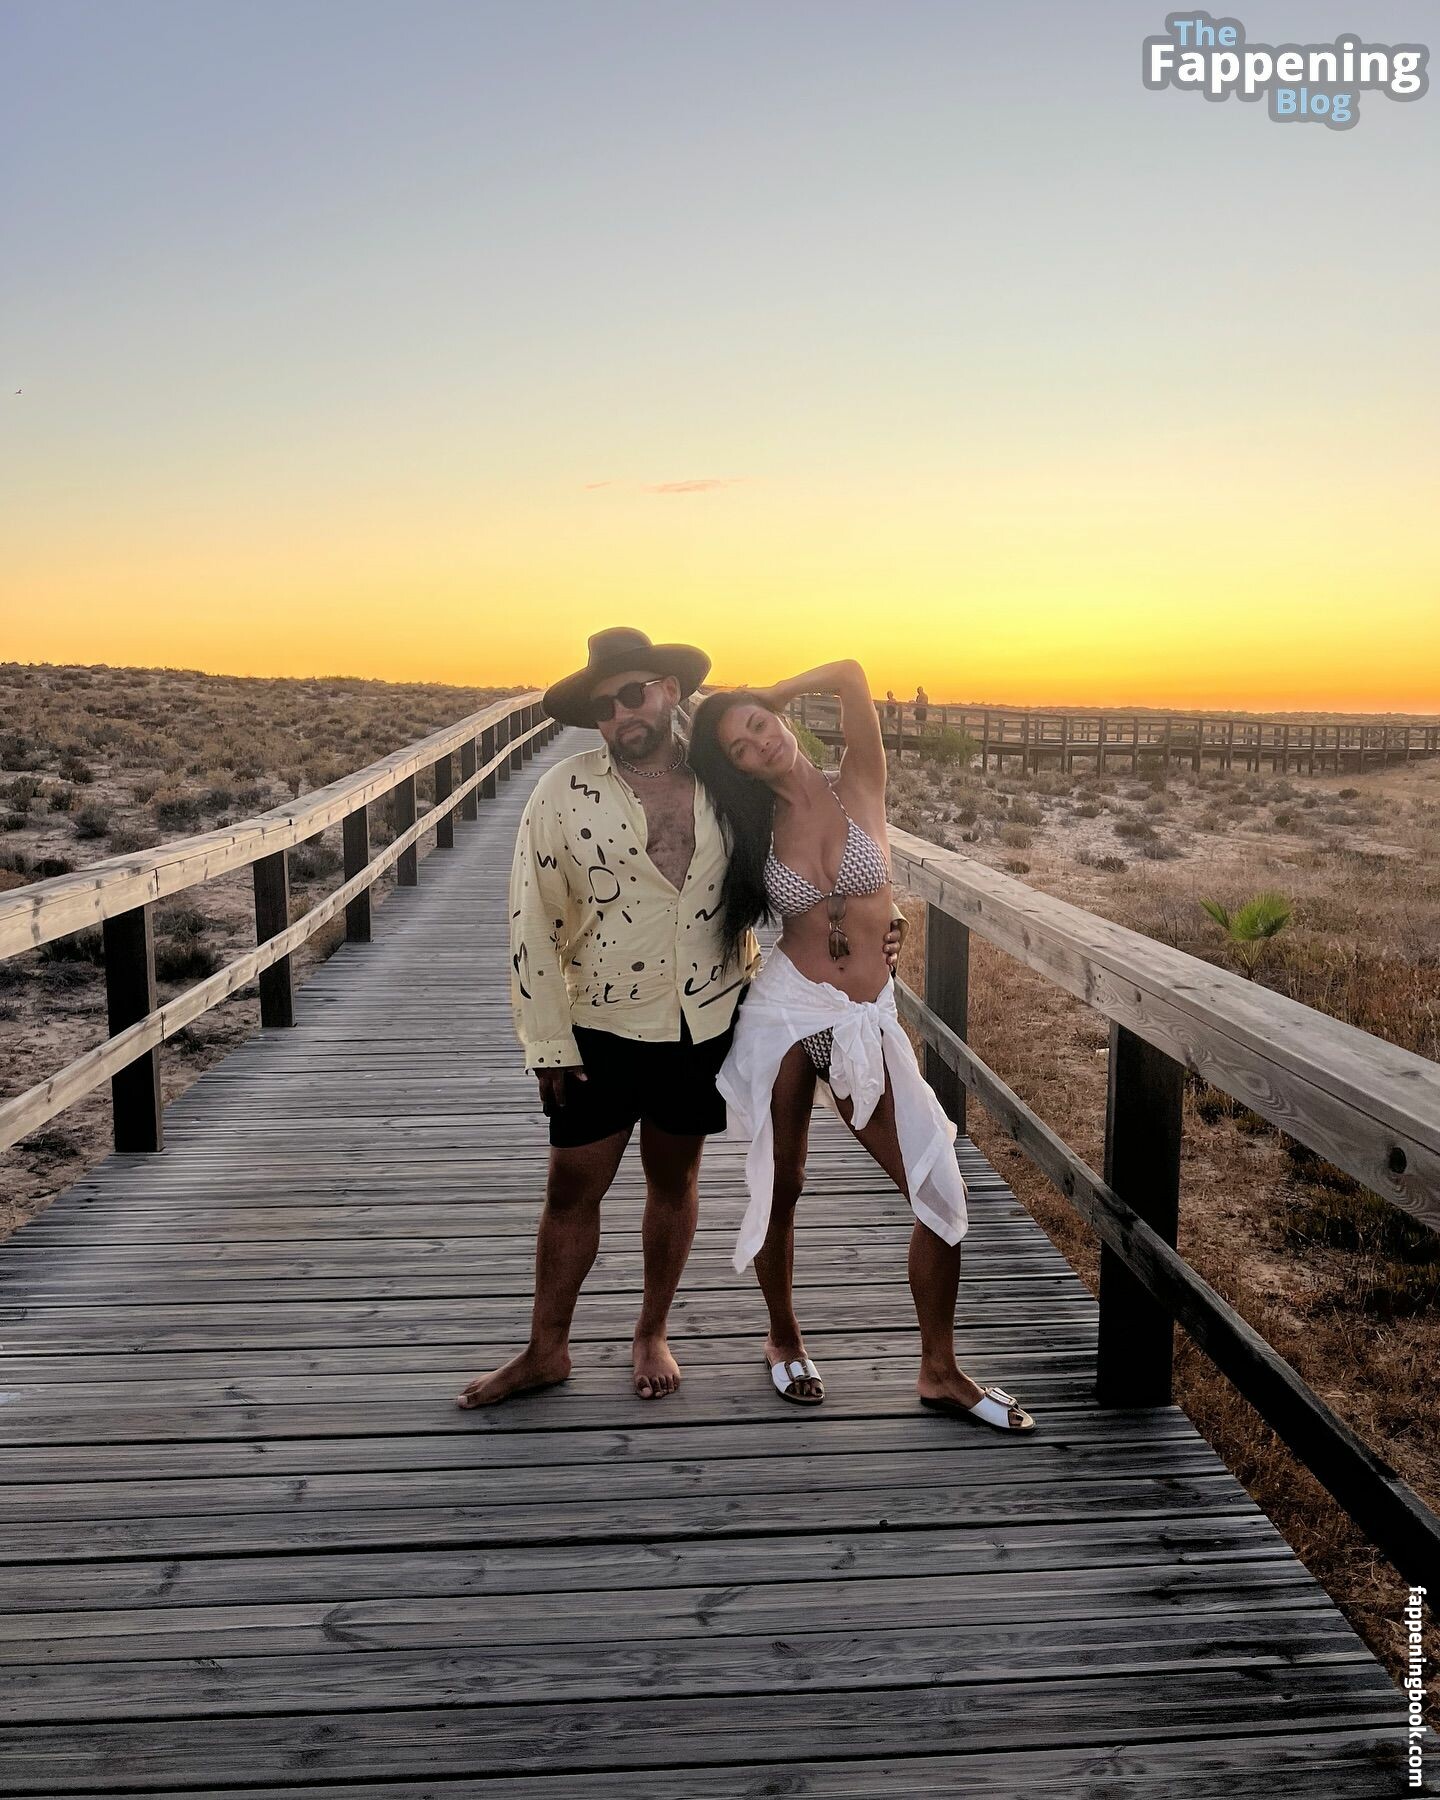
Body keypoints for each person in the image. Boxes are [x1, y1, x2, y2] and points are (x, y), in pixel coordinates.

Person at [457, 628, 902, 1408]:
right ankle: (545, 1350)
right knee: (571, 1187)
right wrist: (546, 1040)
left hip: (703, 1017)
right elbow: (532, 914)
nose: (620, 713)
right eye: (603, 706)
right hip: (599, 1020)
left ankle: (651, 1332)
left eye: (632, 694)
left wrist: (883, 920)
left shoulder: (730, 787)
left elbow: (816, 848)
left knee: (674, 1181)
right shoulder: (562, 790)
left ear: (668, 692)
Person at [687, 661, 1035, 1430]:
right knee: (783, 1180)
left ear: (779, 718)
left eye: (758, 726)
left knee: (936, 1184)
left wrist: (769, 693)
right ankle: (783, 1337)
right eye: (739, 748)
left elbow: (849, 673)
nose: (758, 744)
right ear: (736, 769)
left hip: (864, 1017)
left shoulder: (859, 781)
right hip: (787, 1012)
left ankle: (939, 1370)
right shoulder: (752, 825)